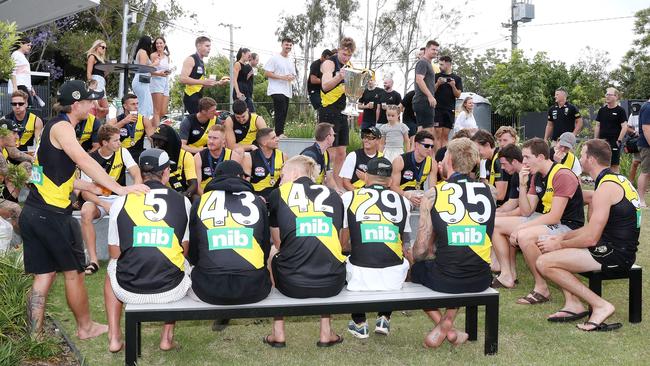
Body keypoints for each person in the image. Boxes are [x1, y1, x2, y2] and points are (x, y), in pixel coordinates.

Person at [20, 80, 148, 340]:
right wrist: (119, 189)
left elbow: (41, 174)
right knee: (74, 274)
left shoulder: (50, 128)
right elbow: (83, 159)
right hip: (53, 216)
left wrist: (81, 183)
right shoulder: (64, 127)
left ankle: (34, 335)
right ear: (76, 104)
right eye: (90, 101)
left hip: (33, 212)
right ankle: (85, 327)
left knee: (44, 275)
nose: (94, 106)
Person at [537, 139, 640, 331]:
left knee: (545, 262)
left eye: (582, 154)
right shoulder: (617, 179)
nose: (579, 159)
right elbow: (591, 228)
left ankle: (600, 305)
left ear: (591, 160)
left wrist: (559, 245)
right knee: (550, 252)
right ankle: (573, 304)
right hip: (618, 247)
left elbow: (591, 238)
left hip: (615, 254)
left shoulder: (604, 189)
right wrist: (561, 238)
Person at [104, 148, 191, 352]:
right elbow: (184, 249)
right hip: (171, 290)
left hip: (128, 290)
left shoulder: (121, 201)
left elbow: (114, 252)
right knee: (181, 261)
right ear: (166, 172)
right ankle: (166, 338)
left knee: (111, 269)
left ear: (141, 173)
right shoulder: (183, 201)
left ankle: (114, 337)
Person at [411, 137, 493, 348]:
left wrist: (423, 255)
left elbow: (420, 250)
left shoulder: (433, 194)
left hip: (446, 280)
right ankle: (448, 324)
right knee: (459, 260)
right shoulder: (490, 193)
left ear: (448, 160)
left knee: (418, 267)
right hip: (482, 277)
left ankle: (445, 327)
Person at [264, 155, 346, 348]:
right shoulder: (334, 195)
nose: (280, 180)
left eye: (282, 175)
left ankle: (278, 332)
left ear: (293, 173)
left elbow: (279, 243)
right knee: (326, 252)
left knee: (272, 252)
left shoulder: (280, 193)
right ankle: (326, 332)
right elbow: (339, 242)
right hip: (332, 283)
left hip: (293, 284)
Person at [493, 138, 585, 300]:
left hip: (567, 225)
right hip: (547, 219)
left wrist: (520, 228)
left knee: (524, 236)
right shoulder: (537, 175)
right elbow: (527, 210)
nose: (524, 161)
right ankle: (508, 275)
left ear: (541, 157)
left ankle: (541, 287)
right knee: (495, 224)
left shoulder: (562, 174)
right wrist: (522, 186)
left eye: (527, 157)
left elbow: (555, 216)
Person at [341, 157, 411, 338]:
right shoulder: (404, 202)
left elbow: (343, 241)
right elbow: (401, 242)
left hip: (359, 278)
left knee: (350, 256)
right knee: (393, 254)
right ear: (390, 181)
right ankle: (384, 317)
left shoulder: (349, 196)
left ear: (365, 177)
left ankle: (359, 322)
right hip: (394, 278)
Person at [188, 160, 271, 305]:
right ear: (240, 176)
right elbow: (265, 246)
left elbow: (194, 249)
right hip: (254, 287)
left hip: (209, 287)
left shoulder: (200, 202)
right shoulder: (258, 201)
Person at [79, 125, 142, 276]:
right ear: (104, 143)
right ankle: (94, 260)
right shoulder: (90, 159)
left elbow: (136, 172)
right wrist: (103, 204)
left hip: (120, 197)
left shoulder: (123, 152)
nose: (119, 143)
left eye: (119, 140)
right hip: (98, 199)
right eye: (115, 140)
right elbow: (85, 193)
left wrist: (136, 189)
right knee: (85, 212)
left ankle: (135, 257)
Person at [320, 37, 356, 188]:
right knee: (331, 153)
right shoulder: (329, 63)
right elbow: (325, 86)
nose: (345, 58)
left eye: (349, 55)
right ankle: (328, 184)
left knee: (342, 152)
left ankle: (339, 185)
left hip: (342, 111)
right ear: (339, 50)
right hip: (328, 110)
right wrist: (339, 76)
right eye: (343, 54)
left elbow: (351, 90)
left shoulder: (349, 65)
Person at [180, 36, 229, 114]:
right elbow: (183, 79)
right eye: (207, 46)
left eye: (210, 46)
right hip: (191, 97)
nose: (209, 48)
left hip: (198, 97)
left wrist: (218, 82)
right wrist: (203, 82)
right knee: (201, 121)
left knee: (204, 121)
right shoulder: (191, 59)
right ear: (198, 46)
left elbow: (202, 84)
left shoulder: (201, 62)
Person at [151, 124, 198, 200]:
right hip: (161, 194)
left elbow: (193, 184)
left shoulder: (185, 156)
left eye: (160, 141)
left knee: (196, 198)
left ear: (170, 142)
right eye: (155, 140)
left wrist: (184, 196)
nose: (156, 144)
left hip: (182, 193)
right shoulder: (153, 157)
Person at [390, 130, 436, 207]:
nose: (430, 149)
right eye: (427, 146)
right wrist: (407, 195)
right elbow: (393, 186)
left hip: (420, 194)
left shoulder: (432, 163)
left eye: (432, 146)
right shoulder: (400, 160)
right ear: (416, 145)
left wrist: (427, 199)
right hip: (402, 194)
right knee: (406, 205)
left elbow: (432, 188)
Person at [194, 124, 244, 194]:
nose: (211, 141)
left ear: (223, 141)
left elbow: (238, 183)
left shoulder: (233, 157)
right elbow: (197, 186)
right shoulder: (198, 157)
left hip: (226, 194)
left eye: (215, 138)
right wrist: (208, 199)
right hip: (205, 193)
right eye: (209, 137)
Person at [108, 93, 155, 162]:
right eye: (133, 104)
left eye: (137, 103)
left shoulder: (144, 120)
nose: (136, 106)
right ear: (125, 106)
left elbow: (152, 139)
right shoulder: (116, 120)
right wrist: (123, 122)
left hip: (137, 154)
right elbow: (106, 132)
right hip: (119, 154)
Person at [264, 38, 296, 138]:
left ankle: (280, 132)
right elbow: (267, 73)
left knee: (284, 111)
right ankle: (278, 133)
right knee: (280, 108)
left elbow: (293, 75)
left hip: (286, 90)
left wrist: (291, 77)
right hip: (276, 89)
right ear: (282, 45)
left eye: (290, 45)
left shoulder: (290, 60)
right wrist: (282, 77)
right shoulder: (274, 58)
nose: (288, 47)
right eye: (286, 45)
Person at [0, 118, 27, 231]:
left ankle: (27, 200)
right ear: (3, 134)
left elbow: (16, 154)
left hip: (2, 190)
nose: (17, 137)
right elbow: (10, 175)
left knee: (26, 166)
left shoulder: (5, 147)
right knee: (15, 209)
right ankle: (24, 242)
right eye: (14, 133)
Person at [472, 129, 510, 206]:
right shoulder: (487, 161)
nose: (477, 154)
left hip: (505, 206)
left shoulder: (498, 160)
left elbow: (500, 195)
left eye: (478, 150)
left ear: (487, 145)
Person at [594, 88, 628, 173]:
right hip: (602, 142)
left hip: (614, 142)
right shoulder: (602, 110)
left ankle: (615, 184)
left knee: (614, 165)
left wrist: (619, 140)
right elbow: (598, 125)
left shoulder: (620, 111)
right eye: (606, 94)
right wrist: (595, 140)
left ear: (616, 97)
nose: (607, 96)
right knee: (601, 164)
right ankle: (602, 183)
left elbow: (625, 126)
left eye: (609, 94)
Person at [340, 126, 383, 191]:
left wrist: (366, 178)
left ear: (378, 141)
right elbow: (345, 182)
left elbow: (386, 183)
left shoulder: (382, 158)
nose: (366, 140)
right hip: (356, 193)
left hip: (376, 195)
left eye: (370, 137)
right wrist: (361, 195)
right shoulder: (353, 155)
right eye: (364, 136)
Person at [250, 128, 286, 203]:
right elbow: (245, 183)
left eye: (276, 136)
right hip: (256, 198)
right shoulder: (249, 157)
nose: (277, 139)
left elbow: (286, 180)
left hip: (276, 198)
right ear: (264, 142)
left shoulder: (283, 156)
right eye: (273, 138)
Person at [434, 55, 462, 150]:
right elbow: (430, 92)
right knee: (437, 135)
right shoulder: (436, 76)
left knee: (445, 136)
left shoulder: (457, 78)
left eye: (441, 64)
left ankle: (443, 157)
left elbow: (458, 95)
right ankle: (437, 159)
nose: (440, 66)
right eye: (439, 64)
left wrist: (453, 86)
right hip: (437, 109)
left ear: (448, 64)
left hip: (449, 110)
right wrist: (438, 84)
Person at [413, 40, 439, 137]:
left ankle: (415, 151)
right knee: (428, 132)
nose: (435, 52)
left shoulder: (428, 64)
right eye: (433, 49)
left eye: (437, 50)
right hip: (423, 100)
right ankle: (421, 152)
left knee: (422, 131)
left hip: (424, 101)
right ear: (426, 49)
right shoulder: (423, 62)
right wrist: (430, 96)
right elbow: (419, 80)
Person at [300, 122, 337, 189]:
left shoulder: (325, 153)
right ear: (328, 137)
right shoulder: (310, 154)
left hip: (316, 190)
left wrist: (337, 191)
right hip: (307, 191)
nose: (334, 138)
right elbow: (303, 180)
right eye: (333, 135)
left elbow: (329, 178)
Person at [150, 36, 172, 128]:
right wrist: (159, 74)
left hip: (165, 82)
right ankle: (156, 134)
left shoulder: (167, 57)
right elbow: (149, 71)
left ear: (164, 44)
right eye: (157, 43)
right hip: (156, 82)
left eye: (160, 43)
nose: (159, 45)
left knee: (163, 111)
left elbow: (166, 69)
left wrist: (168, 72)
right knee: (157, 111)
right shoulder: (153, 55)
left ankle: (145, 126)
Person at [85, 39, 109, 120]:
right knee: (95, 107)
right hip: (95, 81)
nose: (104, 49)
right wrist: (91, 83)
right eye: (102, 47)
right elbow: (89, 72)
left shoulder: (102, 60)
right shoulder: (92, 56)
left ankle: (95, 123)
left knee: (106, 109)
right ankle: (93, 124)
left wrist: (107, 70)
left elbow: (104, 75)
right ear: (96, 47)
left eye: (106, 48)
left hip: (102, 82)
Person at [131, 36, 155, 118]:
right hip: (141, 81)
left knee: (145, 105)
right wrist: (155, 64)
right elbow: (143, 68)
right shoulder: (143, 52)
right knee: (144, 106)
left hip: (142, 81)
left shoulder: (140, 52)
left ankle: (142, 125)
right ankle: (141, 126)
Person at [9, 37, 36, 105]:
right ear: (21, 44)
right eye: (28, 45)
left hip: (24, 86)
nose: (30, 47)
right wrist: (15, 88)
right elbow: (12, 71)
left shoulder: (22, 56)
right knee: (27, 106)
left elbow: (25, 74)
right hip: (19, 85)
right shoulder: (16, 54)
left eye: (30, 45)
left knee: (25, 107)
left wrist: (31, 88)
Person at [233, 47, 255, 112]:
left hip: (246, 90)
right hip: (240, 90)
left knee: (249, 111)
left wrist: (249, 75)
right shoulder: (237, 64)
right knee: (242, 111)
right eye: (249, 55)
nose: (250, 57)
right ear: (243, 54)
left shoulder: (246, 65)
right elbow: (235, 79)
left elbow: (244, 78)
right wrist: (238, 92)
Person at [637, 96, 650, 208]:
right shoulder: (648, 107)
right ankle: (640, 200)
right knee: (645, 172)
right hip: (647, 145)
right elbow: (646, 129)